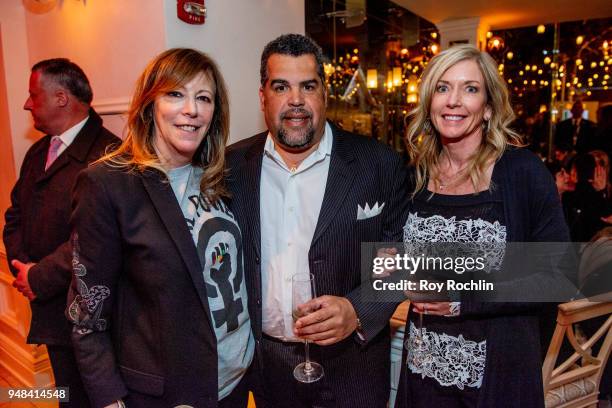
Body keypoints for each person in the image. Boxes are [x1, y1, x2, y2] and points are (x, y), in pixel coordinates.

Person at [225, 33, 409, 407]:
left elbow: (401, 255)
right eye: (281, 86)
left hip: (353, 368)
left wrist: (358, 310)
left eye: (308, 86)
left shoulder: (378, 164)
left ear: (324, 93)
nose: (296, 100)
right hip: (266, 369)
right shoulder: (230, 167)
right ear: (263, 96)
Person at [66, 48, 253, 408]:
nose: (191, 110)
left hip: (234, 382)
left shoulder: (219, 176)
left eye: (204, 98)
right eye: (175, 94)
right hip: (168, 393)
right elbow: (87, 313)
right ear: (150, 103)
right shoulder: (108, 184)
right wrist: (110, 400)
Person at [396, 44, 570, 407]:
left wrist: (464, 298)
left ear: (488, 107)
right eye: (443, 88)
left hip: (496, 381)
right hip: (423, 370)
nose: (454, 100)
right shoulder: (415, 175)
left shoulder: (522, 172)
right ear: (429, 101)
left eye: (470, 89)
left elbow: (558, 276)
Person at [3, 58, 120, 407]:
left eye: (32, 95)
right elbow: (15, 214)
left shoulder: (108, 156)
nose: (26, 104)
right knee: (66, 395)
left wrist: (39, 275)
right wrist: (20, 265)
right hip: (49, 311)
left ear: (61, 98)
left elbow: (94, 237)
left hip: (89, 314)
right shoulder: (39, 150)